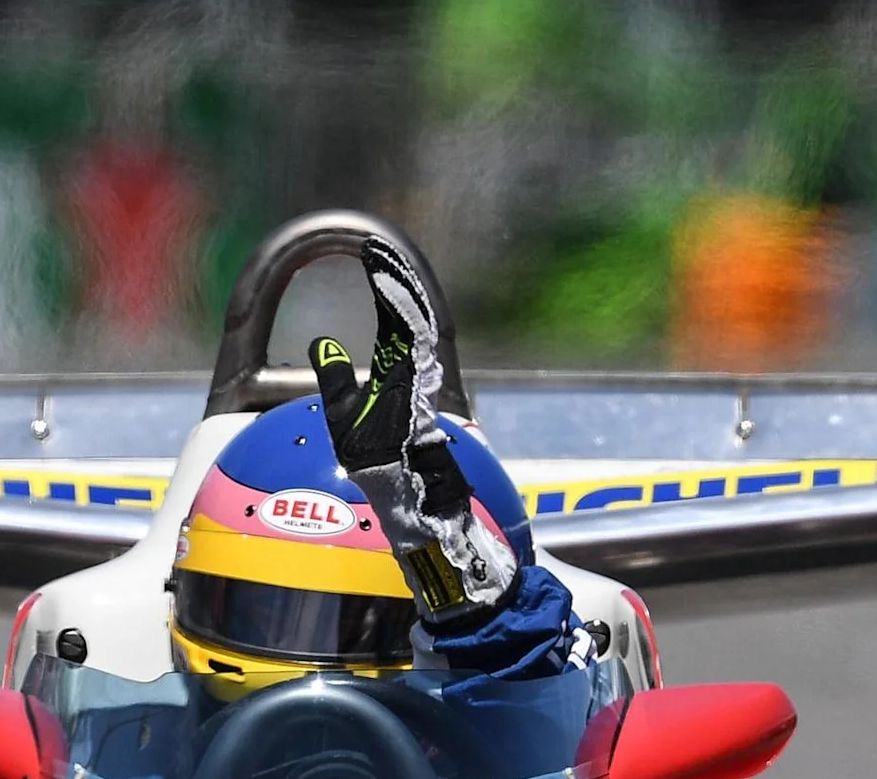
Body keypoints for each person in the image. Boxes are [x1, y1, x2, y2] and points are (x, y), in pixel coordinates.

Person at [169, 241, 591, 695]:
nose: (299, 667)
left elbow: (516, 709)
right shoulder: (123, 752)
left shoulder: (506, 756)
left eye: (362, 624)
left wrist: (461, 589)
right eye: (258, 612)